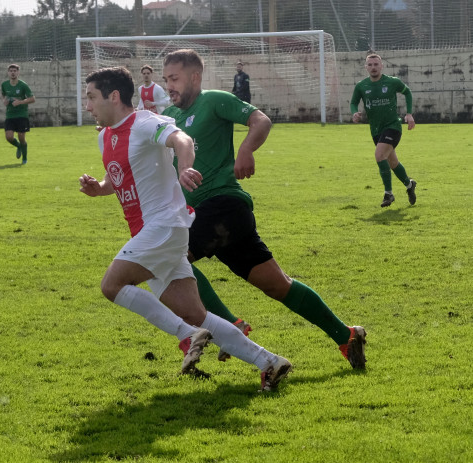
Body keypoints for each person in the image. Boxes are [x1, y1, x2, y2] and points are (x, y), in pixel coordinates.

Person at [79, 66, 291, 391]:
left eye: (92, 97)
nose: (87, 105)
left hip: (164, 226)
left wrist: (185, 166)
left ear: (114, 96)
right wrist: (101, 188)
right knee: (196, 314)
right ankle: (270, 362)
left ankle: (186, 337)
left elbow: (182, 139)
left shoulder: (145, 122)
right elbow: (119, 178)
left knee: (112, 285)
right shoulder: (104, 136)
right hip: (154, 234)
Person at [161, 49, 367, 369]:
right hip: (211, 215)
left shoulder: (214, 99)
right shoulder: (169, 116)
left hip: (224, 205)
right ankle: (347, 335)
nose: (169, 85)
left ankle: (229, 325)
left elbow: (260, 120)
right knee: (279, 285)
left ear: (194, 77)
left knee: (168, 257)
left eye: (174, 78)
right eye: (166, 79)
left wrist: (246, 148)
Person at [350, 53, 417, 208]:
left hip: (393, 126)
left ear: (382, 66)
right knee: (392, 162)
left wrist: (408, 113)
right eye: (370, 65)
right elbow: (354, 102)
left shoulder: (392, 82)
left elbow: (407, 92)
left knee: (379, 155)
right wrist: (354, 112)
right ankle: (409, 185)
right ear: (366, 67)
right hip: (375, 130)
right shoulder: (361, 86)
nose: (373, 67)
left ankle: (388, 193)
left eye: (376, 64)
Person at [1, 64, 36, 165]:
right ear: (8, 73)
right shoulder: (4, 85)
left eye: (14, 71)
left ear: (18, 72)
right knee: (9, 137)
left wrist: (20, 102)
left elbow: (33, 99)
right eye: (11, 71)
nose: (13, 73)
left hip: (22, 115)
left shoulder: (23, 85)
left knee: (21, 138)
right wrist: (4, 101)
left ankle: (24, 158)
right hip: (10, 115)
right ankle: (19, 146)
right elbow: (3, 95)